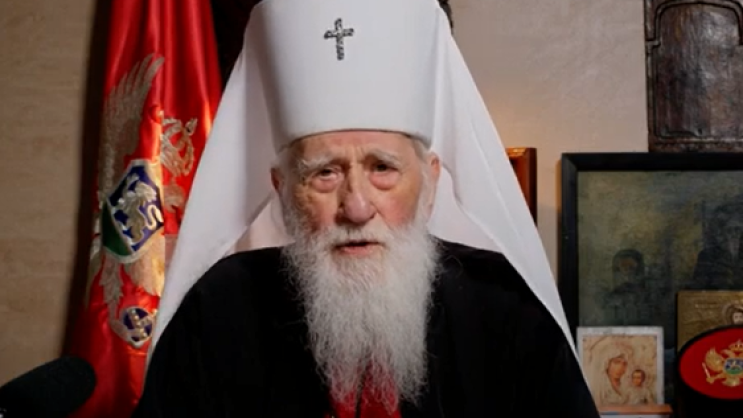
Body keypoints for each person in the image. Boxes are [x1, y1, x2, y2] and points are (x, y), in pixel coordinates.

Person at [132, 0, 600, 416]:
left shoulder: (510, 310)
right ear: (283, 188)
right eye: (324, 173)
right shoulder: (218, 311)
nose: (356, 208)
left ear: (430, 183)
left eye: (382, 168)